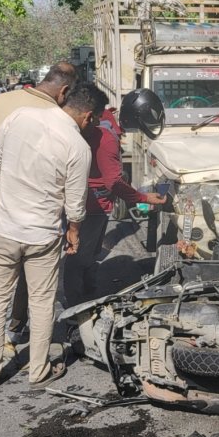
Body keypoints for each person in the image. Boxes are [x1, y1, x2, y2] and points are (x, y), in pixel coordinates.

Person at [0, 83, 106, 389]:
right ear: (88, 116)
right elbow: (75, 205)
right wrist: (74, 234)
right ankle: (38, 371)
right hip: (42, 236)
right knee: (42, 300)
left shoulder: (20, 116)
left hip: (2, 228)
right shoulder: (78, 147)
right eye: (97, 119)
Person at [0, 62, 78, 346]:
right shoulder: (58, 117)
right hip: (41, 213)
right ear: (65, 90)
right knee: (35, 278)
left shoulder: (2, 100)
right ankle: (18, 328)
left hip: (1, 203)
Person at [62, 89, 166, 308]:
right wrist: (143, 197)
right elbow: (114, 182)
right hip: (92, 206)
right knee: (78, 258)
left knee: (87, 254)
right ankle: (76, 307)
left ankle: (89, 294)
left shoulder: (95, 123)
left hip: (80, 201)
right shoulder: (106, 136)